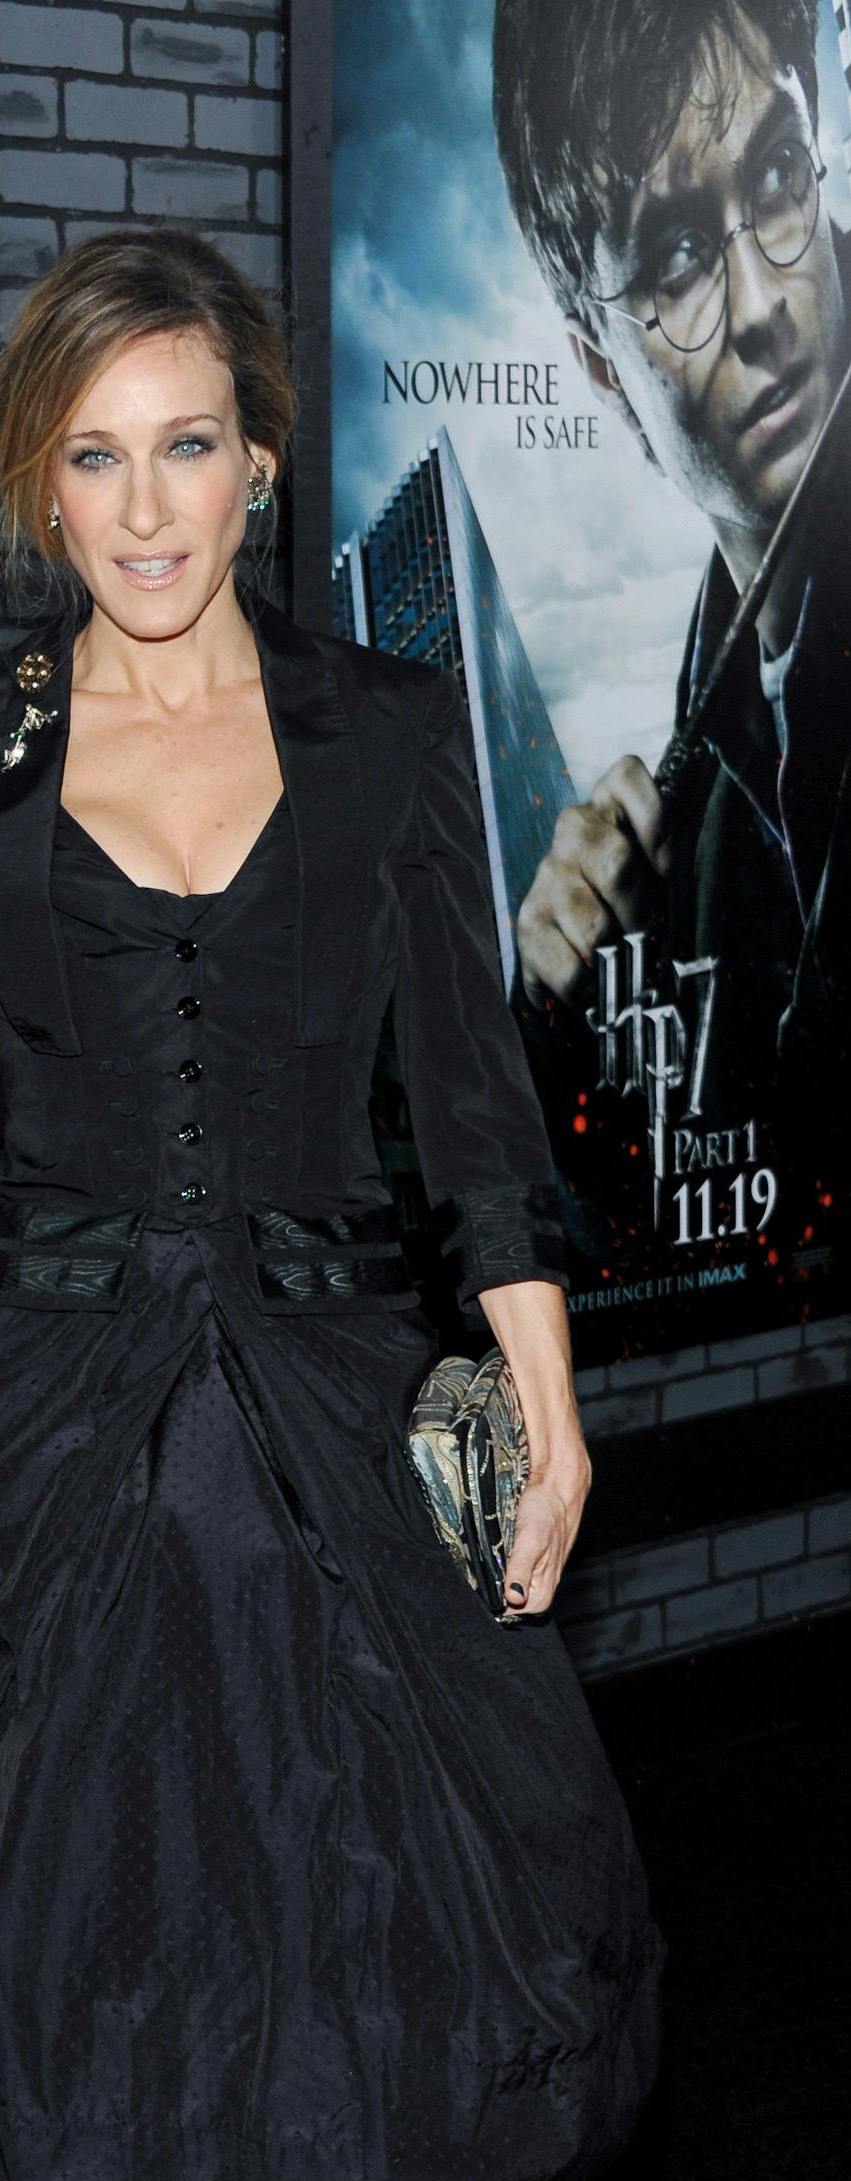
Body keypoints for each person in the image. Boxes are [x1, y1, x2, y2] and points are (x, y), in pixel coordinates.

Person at [0, 229, 661, 2181]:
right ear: (34, 484)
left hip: (349, 1390)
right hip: (64, 1431)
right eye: (91, 456)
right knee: (91, 1928)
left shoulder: (392, 730)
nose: (145, 502)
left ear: (259, 455)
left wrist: (545, 1398)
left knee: (470, 1900)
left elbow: (478, 1123)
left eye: (186, 442)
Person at [495, 0, 850, 1258]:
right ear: (600, 368)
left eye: (773, 176)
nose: (760, 304)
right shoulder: (700, 799)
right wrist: (564, 1025)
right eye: (676, 262)